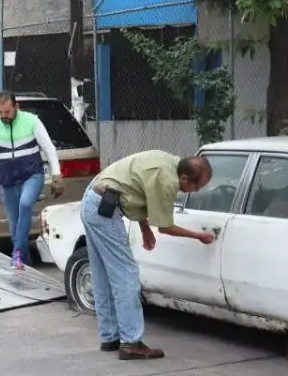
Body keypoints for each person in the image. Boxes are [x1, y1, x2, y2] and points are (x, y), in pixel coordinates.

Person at [82, 150, 214, 360]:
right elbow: (165, 227)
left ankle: (110, 337)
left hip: (95, 200)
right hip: (105, 209)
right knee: (126, 275)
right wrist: (199, 236)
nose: (195, 192)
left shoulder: (168, 160)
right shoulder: (167, 181)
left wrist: (144, 229)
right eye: (196, 187)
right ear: (184, 178)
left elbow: (138, 194)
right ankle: (131, 343)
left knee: (103, 275)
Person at [0, 91, 63, 270]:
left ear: (17, 107)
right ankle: (24, 261)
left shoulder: (32, 121)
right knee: (14, 225)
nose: (3, 117)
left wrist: (57, 175)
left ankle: (16, 253)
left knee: (25, 204)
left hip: (32, 175)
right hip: (8, 180)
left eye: (7, 112)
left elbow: (49, 148)